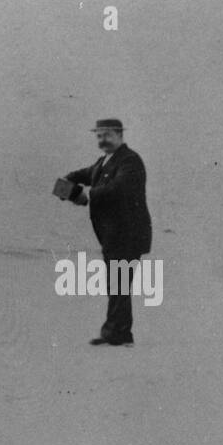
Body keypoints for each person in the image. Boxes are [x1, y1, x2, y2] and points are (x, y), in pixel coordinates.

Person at [58, 118, 152, 346]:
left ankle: (118, 333)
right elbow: (71, 177)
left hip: (128, 233)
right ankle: (117, 333)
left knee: (119, 282)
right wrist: (71, 192)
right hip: (112, 235)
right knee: (116, 282)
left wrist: (87, 196)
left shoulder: (130, 161)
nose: (102, 140)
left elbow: (119, 188)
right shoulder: (103, 163)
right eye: (99, 136)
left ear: (120, 135)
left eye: (107, 135)